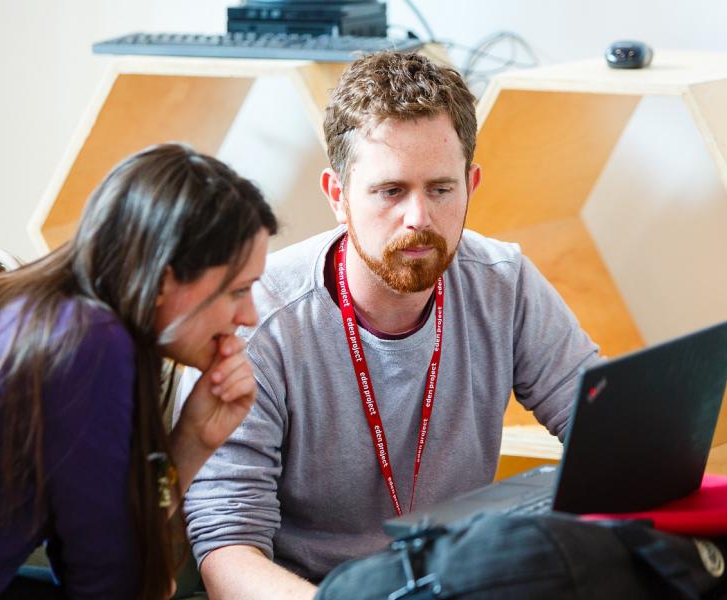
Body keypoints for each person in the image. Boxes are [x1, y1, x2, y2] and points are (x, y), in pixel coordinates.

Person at [178, 51, 601, 599]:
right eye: (390, 191)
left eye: (441, 189)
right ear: (337, 196)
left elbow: (606, 432)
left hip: (465, 581)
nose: (419, 218)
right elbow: (227, 552)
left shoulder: (504, 281)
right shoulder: (261, 323)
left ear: (471, 184)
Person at [0, 143, 277, 599]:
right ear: (164, 280)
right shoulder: (89, 344)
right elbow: (114, 585)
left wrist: (194, 440)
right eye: (237, 290)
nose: (249, 315)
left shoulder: (37, 307)